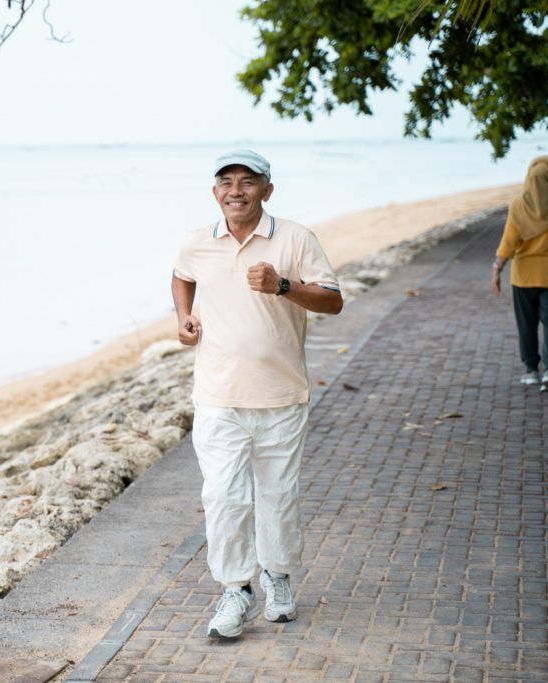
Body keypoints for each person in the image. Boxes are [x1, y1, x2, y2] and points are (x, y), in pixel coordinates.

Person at [171, 149, 343, 638]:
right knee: (224, 496)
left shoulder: (295, 237)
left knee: (277, 497)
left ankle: (278, 578)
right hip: (217, 396)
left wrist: (283, 285)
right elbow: (182, 276)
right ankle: (234, 590)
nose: (236, 190)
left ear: (267, 189)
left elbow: (332, 301)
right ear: (215, 192)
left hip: (282, 396)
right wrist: (183, 317)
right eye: (226, 182)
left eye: (248, 181)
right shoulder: (196, 242)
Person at [492, 155, 548, 394]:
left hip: (523, 277)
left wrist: (497, 269)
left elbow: (508, 242)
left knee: (526, 324)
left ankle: (532, 371)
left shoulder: (518, 205)